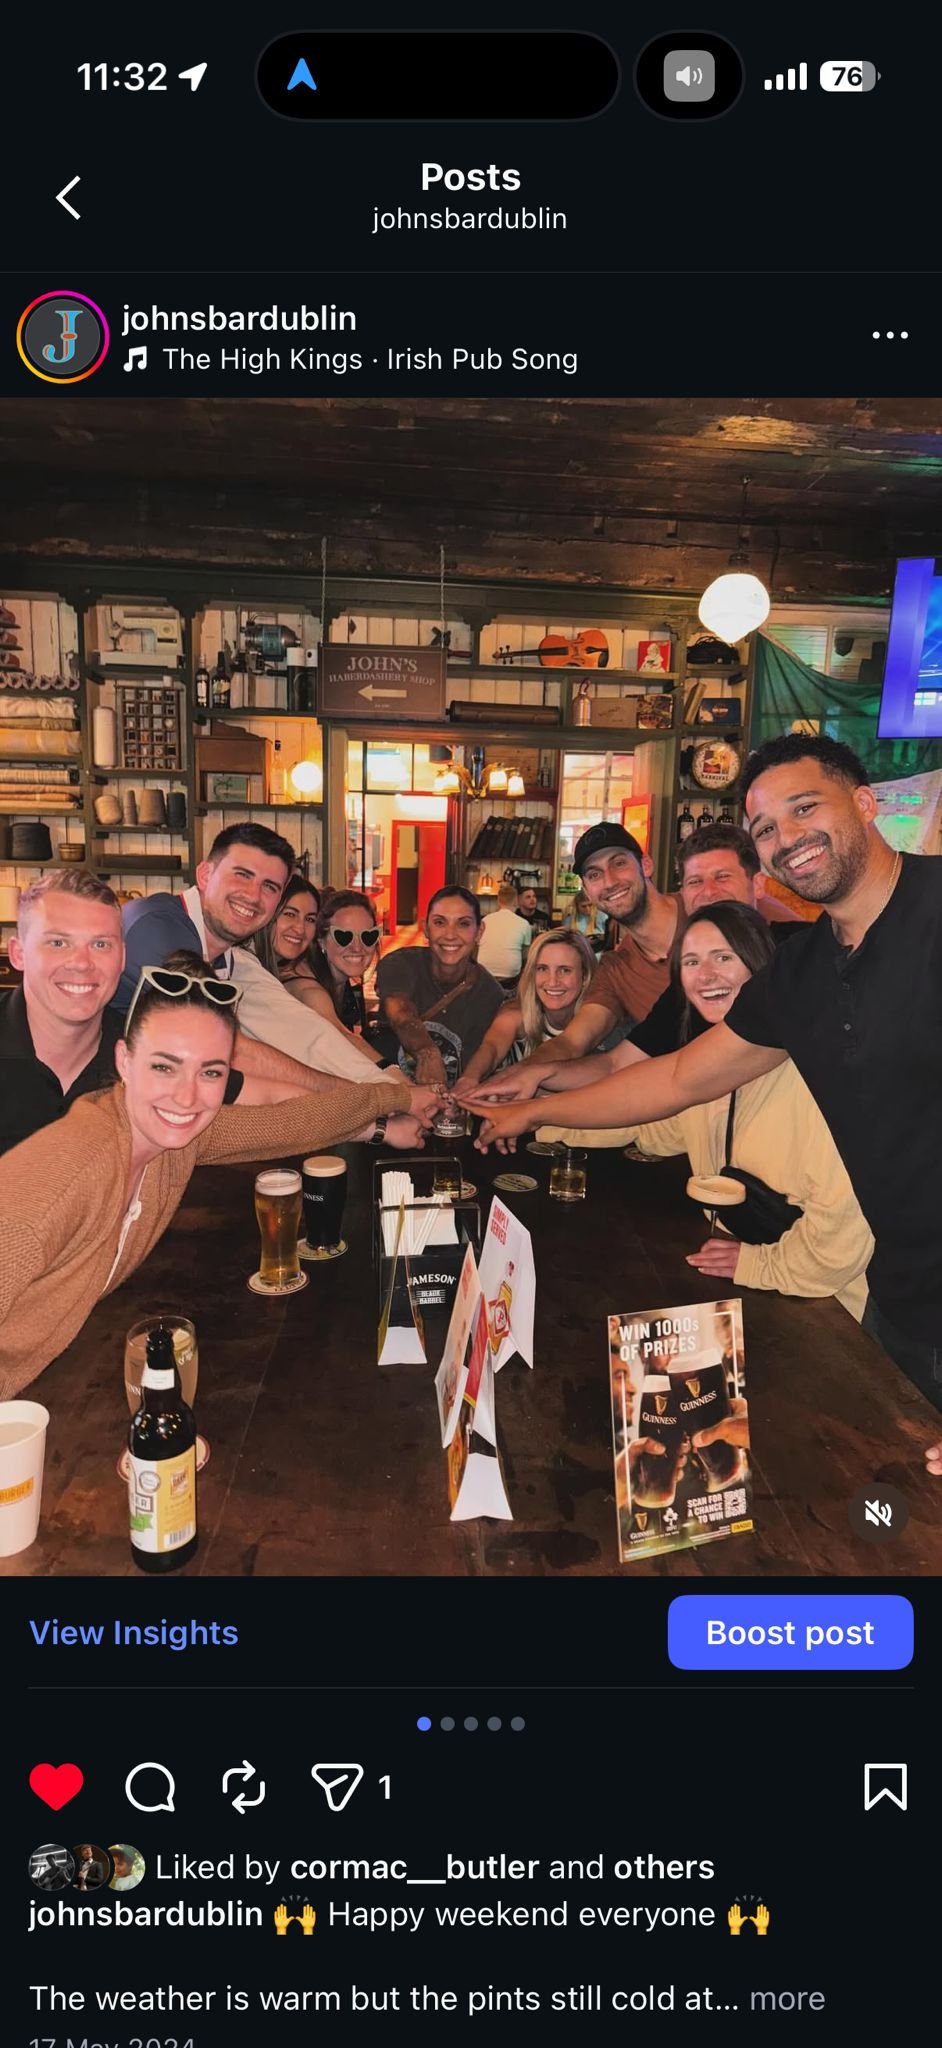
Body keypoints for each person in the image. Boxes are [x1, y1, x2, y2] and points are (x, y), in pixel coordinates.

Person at [474, 734, 942, 1476]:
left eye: (803, 808)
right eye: (765, 828)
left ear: (864, 802)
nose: (786, 838)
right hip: (899, 1304)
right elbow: (676, 1080)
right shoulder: (802, 972)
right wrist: (530, 1110)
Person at [0, 954, 427, 1398]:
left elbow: (289, 1123)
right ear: (124, 1061)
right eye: (164, 1066)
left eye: (210, 1072)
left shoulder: (177, 1138)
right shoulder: (60, 1178)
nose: (186, 1096)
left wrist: (389, 1107)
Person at [540, 903, 874, 1321]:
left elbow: (843, 1233)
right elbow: (648, 1123)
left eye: (723, 957)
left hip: (834, 1312)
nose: (706, 975)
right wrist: (540, 1122)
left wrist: (756, 1265)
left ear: (761, 965)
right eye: (692, 961)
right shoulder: (706, 1066)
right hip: (750, 1282)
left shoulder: (816, 1074)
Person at [459, 820, 807, 1104]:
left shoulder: (711, 906)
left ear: (646, 865)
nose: (609, 881)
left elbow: (792, 940)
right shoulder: (616, 969)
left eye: (619, 863)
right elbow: (575, 1043)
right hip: (688, 1115)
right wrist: (519, 1079)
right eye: (594, 874)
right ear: (587, 890)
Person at [115, 821, 407, 1093]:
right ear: (205, 875)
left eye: (270, 887)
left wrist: (389, 1082)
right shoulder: (157, 926)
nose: (253, 896)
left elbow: (304, 1030)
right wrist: (369, 1095)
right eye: (242, 875)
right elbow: (228, 1049)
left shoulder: (232, 958)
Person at [375, 886, 504, 1088]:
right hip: (390, 1094)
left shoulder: (489, 993)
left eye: (463, 924)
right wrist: (428, 1052)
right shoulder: (399, 964)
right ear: (426, 928)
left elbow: (482, 1056)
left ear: (479, 932)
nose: (450, 935)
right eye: (439, 922)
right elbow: (400, 1012)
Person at [253, 879, 385, 1063]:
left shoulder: (338, 979)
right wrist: (393, 1074)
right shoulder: (306, 985)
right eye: (343, 936)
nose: (357, 947)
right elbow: (338, 1036)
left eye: (368, 936)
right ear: (321, 940)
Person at [461, 928, 605, 1086]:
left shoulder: (601, 1023)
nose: (552, 981)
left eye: (564, 970)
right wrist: (469, 1080)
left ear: (585, 976)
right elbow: (492, 1047)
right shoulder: (516, 1013)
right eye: (542, 969)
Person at [475, 882, 533, 984]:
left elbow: (477, 946)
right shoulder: (524, 924)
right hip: (511, 977)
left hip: (484, 974)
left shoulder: (485, 920)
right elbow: (525, 955)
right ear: (516, 901)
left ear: (498, 901)